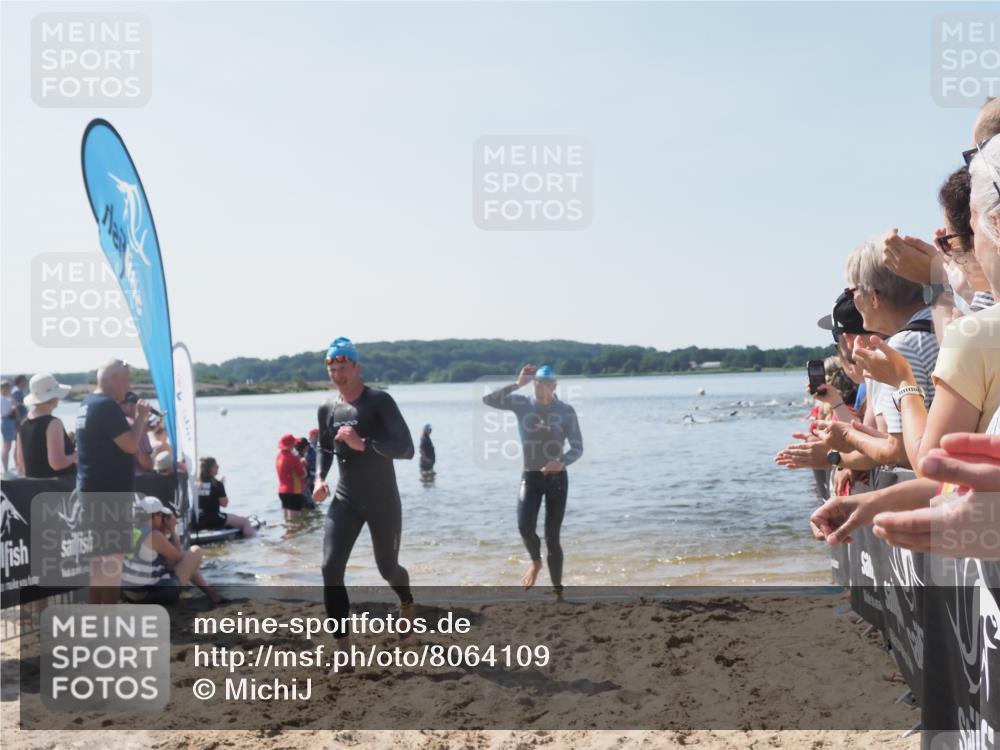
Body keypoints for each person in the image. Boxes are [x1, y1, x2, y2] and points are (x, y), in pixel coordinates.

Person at [314, 337, 415, 663]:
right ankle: (344, 654)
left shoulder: (379, 402)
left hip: (383, 500)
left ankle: (407, 601)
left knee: (388, 569)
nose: (338, 374)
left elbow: (406, 448)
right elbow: (325, 448)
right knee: (330, 569)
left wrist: (365, 443)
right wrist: (318, 478)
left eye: (344, 367)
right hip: (345, 499)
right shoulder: (328, 409)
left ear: (357, 367)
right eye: (333, 368)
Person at [482, 364, 584, 599]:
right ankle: (536, 562)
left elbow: (578, 447)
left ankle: (558, 591)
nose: (541, 389)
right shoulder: (522, 404)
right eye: (538, 384)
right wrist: (518, 384)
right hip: (531, 474)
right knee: (524, 526)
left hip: (557, 478)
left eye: (546, 384)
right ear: (534, 384)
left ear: (554, 386)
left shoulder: (566, 411)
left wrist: (563, 462)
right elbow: (489, 400)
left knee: (552, 536)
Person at [75, 359, 152, 604]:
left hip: (92, 491)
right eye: (127, 380)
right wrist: (140, 417)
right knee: (111, 562)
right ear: (115, 380)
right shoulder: (106, 406)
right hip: (109, 494)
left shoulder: (87, 403)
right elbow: (130, 445)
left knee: (99, 562)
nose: (128, 387)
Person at [121, 496, 225, 606]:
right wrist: (172, 529)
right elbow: (178, 556)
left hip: (130, 594)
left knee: (185, 559)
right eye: (161, 515)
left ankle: (212, 594)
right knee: (195, 551)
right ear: (155, 516)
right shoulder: (153, 536)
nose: (162, 519)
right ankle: (212, 595)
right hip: (151, 597)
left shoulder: (130, 530)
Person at [15, 373, 76, 479]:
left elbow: (21, 463)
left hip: (35, 489)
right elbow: (57, 463)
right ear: (52, 397)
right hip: (57, 489)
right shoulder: (53, 423)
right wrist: (77, 455)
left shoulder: (24, 423)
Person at [196, 456, 255, 536]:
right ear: (211, 468)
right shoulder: (217, 484)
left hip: (199, 520)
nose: (218, 467)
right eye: (216, 465)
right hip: (214, 519)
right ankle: (252, 543)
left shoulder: (197, 484)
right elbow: (224, 504)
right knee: (245, 522)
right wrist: (222, 486)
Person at [119, 391, 154, 474]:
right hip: (136, 480)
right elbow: (145, 462)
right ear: (132, 405)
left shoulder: (111, 422)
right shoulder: (136, 427)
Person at [277, 436, 307, 520]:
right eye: (294, 444)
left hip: (282, 491)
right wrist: (303, 465)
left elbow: (287, 470)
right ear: (291, 445)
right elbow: (302, 474)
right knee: (295, 522)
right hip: (294, 492)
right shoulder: (292, 458)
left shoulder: (279, 456)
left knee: (287, 520)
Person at [1, 381, 17, 476]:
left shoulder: (6, 398)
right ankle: (6, 469)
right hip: (6, 422)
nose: (10, 390)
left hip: (9, 422)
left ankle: (6, 468)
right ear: (4, 388)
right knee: (7, 446)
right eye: (9, 388)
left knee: (8, 446)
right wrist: (13, 408)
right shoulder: (2, 399)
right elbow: (4, 413)